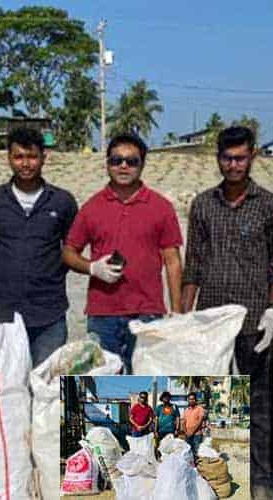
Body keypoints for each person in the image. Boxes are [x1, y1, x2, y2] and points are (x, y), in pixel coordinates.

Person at [181, 126, 273, 499]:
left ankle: (260, 480)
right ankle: (220, 476)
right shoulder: (204, 204)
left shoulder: (272, 206)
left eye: (240, 157)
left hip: (257, 320)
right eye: (227, 158)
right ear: (218, 159)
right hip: (212, 321)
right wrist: (184, 317)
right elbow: (192, 263)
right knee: (216, 402)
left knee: (259, 403)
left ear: (252, 157)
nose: (233, 164)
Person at [63, 133, 183, 373]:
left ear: (142, 164)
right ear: (107, 164)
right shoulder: (92, 207)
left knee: (146, 385)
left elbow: (172, 261)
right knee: (105, 390)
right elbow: (68, 252)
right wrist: (92, 267)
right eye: (117, 160)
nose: (124, 166)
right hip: (102, 314)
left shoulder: (161, 207)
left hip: (148, 313)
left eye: (132, 161)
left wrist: (177, 311)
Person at [0, 127, 78, 366]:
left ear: (43, 157)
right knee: (9, 385)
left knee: (48, 385)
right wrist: (3, 268)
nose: (26, 163)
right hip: (4, 312)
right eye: (18, 157)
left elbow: (72, 247)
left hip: (49, 312)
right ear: (8, 158)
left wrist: (50, 270)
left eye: (32, 156)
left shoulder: (62, 201)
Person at [182, 393, 207, 458]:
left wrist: (192, 431)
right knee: (188, 452)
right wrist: (186, 432)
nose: (191, 400)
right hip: (187, 435)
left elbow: (200, 421)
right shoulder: (186, 410)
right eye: (190, 399)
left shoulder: (200, 409)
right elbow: (183, 422)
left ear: (195, 400)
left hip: (197, 435)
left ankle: (197, 467)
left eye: (193, 399)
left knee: (197, 452)